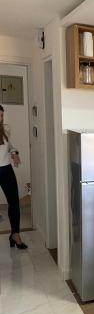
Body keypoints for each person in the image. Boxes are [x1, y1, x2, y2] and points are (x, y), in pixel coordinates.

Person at [0, 105, 27, 249]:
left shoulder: (5, 129)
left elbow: (9, 146)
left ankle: (15, 234)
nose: (0, 118)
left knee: (14, 203)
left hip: (6, 170)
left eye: (2, 115)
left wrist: (15, 153)